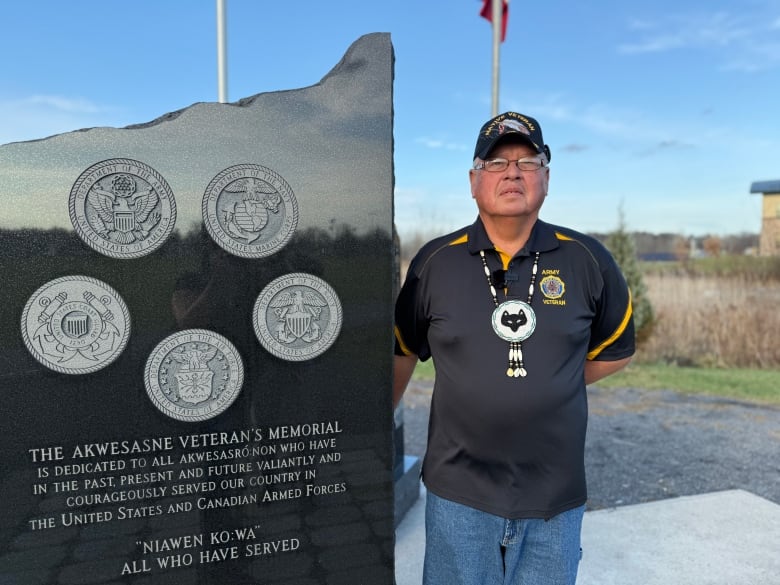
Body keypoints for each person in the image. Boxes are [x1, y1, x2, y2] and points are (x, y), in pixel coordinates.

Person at [393, 111, 635, 585]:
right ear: (473, 180)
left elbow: (616, 350)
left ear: (546, 177)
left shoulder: (587, 259)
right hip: (459, 493)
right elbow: (402, 350)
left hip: (555, 494)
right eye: (496, 163)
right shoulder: (434, 263)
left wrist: (557, 375)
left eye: (527, 162)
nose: (512, 173)